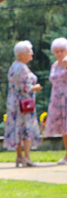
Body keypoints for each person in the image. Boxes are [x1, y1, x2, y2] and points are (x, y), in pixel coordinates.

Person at [4, 40, 43, 166]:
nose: (31, 53)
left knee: (17, 129)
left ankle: (19, 156)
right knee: (26, 129)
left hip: (14, 103)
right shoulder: (22, 68)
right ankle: (26, 157)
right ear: (21, 54)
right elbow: (25, 88)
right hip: (24, 104)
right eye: (29, 51)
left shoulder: (13, 66)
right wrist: (36, 87)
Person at [43, 37, 67, 165]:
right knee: (64, 128)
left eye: (61, 50)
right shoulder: (54, 65)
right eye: (56, 51)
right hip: (57, 98)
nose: (59, 53)